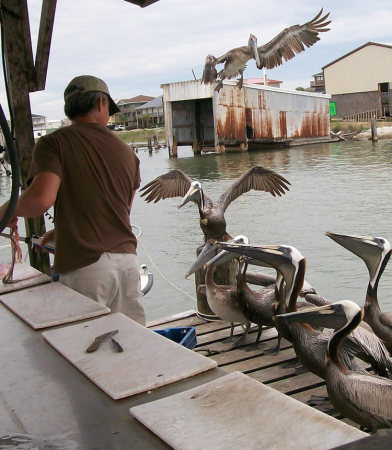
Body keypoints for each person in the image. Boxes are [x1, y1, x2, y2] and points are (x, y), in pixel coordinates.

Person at [0, 75, 146, 325]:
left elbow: (41, 199)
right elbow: (118, 213)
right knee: (131, 348)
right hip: (128, 263)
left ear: (69, 108)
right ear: (101, 103)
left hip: (84, 266)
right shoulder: (128, 153)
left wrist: (5, 211)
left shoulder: (53, 143)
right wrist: (63, 230)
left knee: (83, 348)